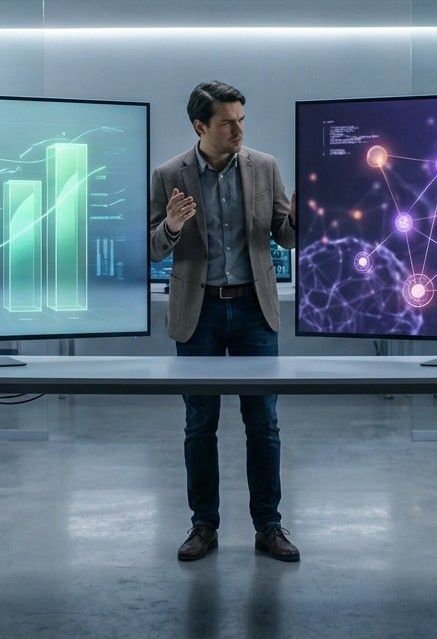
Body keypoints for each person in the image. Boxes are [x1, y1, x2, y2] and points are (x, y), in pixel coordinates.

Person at [148, 81, 300, 563]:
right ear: (200, 126)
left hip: (255, 309)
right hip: (201, 311)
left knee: (264, 423)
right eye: (227, 123)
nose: (238, 130)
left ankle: (269, 527)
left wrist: (298, 219)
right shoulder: (169, 174)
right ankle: (203, 526)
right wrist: (171, 225)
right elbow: (151, 247)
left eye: (242, 120)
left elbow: (285, 237)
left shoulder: (265, 168)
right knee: (200, 423)